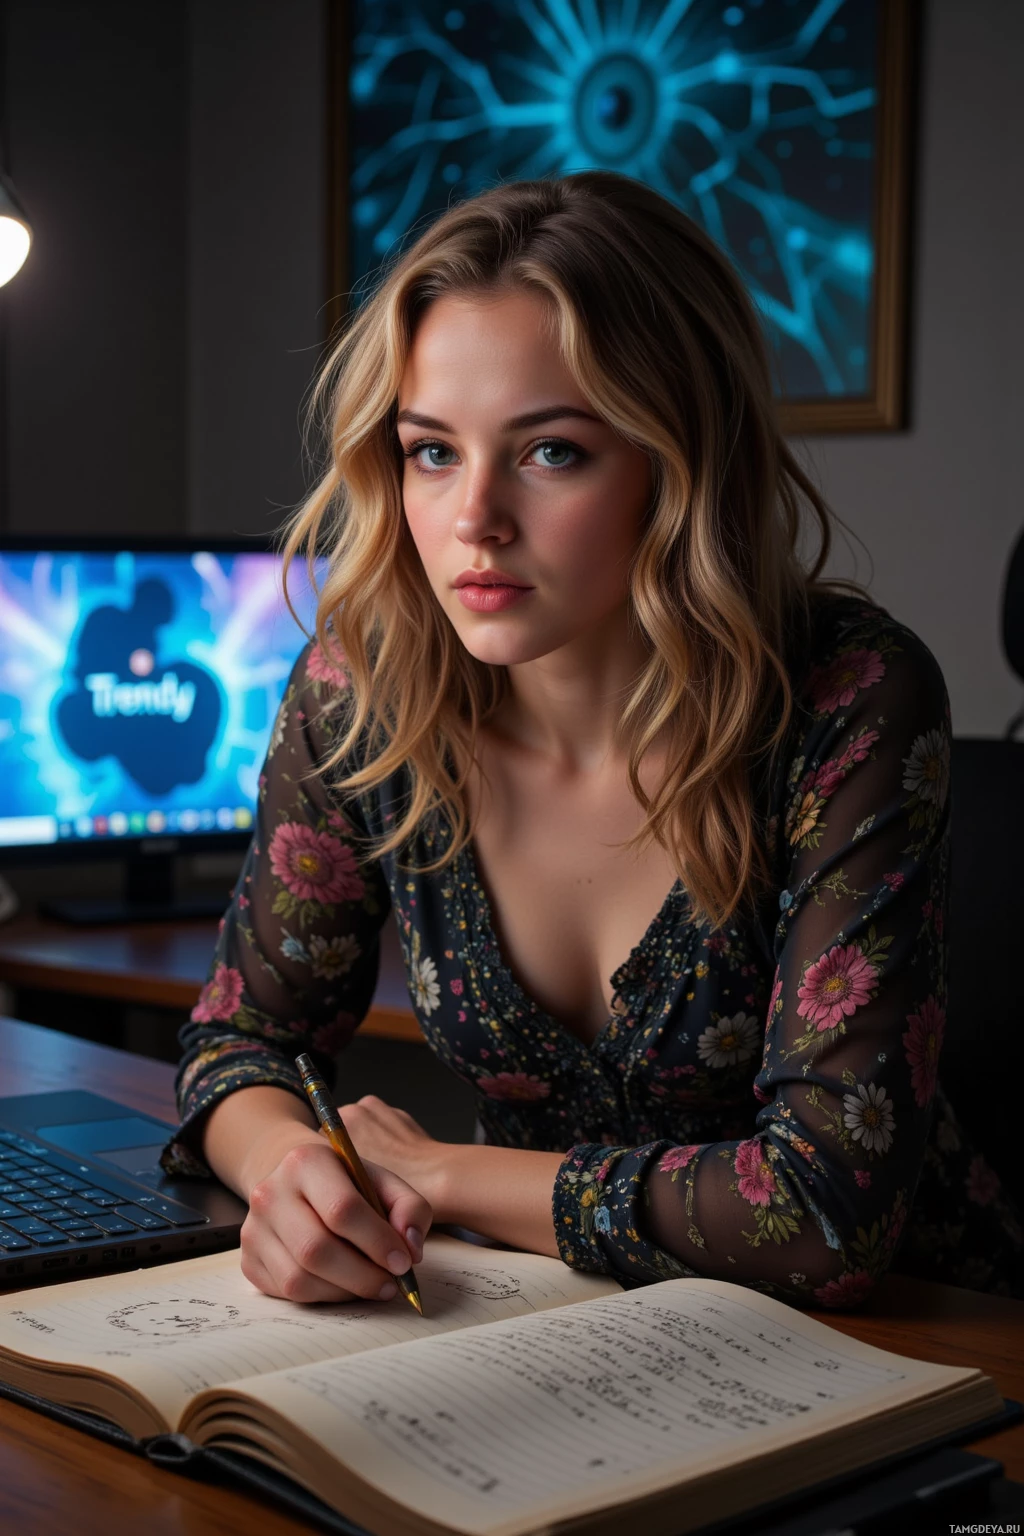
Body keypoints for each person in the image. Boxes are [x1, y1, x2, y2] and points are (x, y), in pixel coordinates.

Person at [162, 172, 1024, 1308]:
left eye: (550, 450)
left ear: (679, 462)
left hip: (924, 1342)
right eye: (431, 451)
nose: (473, 519)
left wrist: (443, 1174)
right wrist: (293, 1175)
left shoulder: (848, 693)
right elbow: (241, 1044)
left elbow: (827, 1207)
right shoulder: (362, 691)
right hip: (553, 1328)